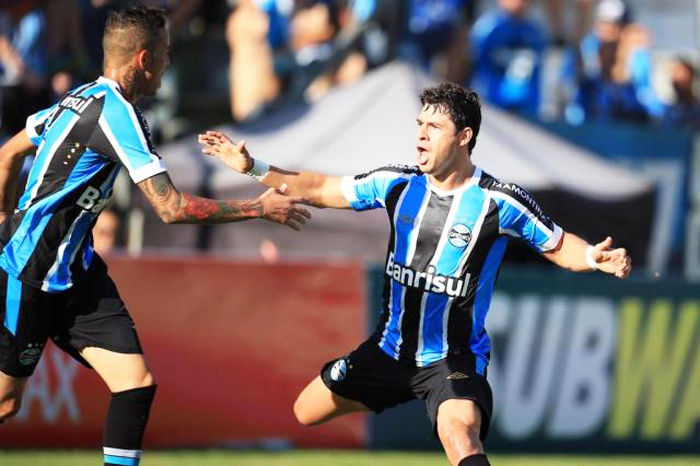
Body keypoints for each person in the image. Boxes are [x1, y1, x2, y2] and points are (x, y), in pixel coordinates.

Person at [198, 82, 631, 466]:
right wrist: (254, 168)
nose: (421, 135)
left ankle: (438, 401)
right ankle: (392, 391)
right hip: (388, 351)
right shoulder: (398, 183)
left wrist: (594, 257)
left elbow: (556, 245)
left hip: (450, 358)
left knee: (459, 436)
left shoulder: (500, 201)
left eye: (434, 127)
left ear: (465, 137)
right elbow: (320, 188)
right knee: (304, 412)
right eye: (419, 124)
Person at [0, 6, 310, 466]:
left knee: (136, 383)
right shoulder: (118, 116)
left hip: (77, 271)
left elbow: (9, 152)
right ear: (143, 59)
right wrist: (259, 208)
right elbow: (170, 208)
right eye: (165, 54)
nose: (168, 64)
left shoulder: (79, 98)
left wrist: (5, 215)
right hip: (28, 272)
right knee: (6, 403)